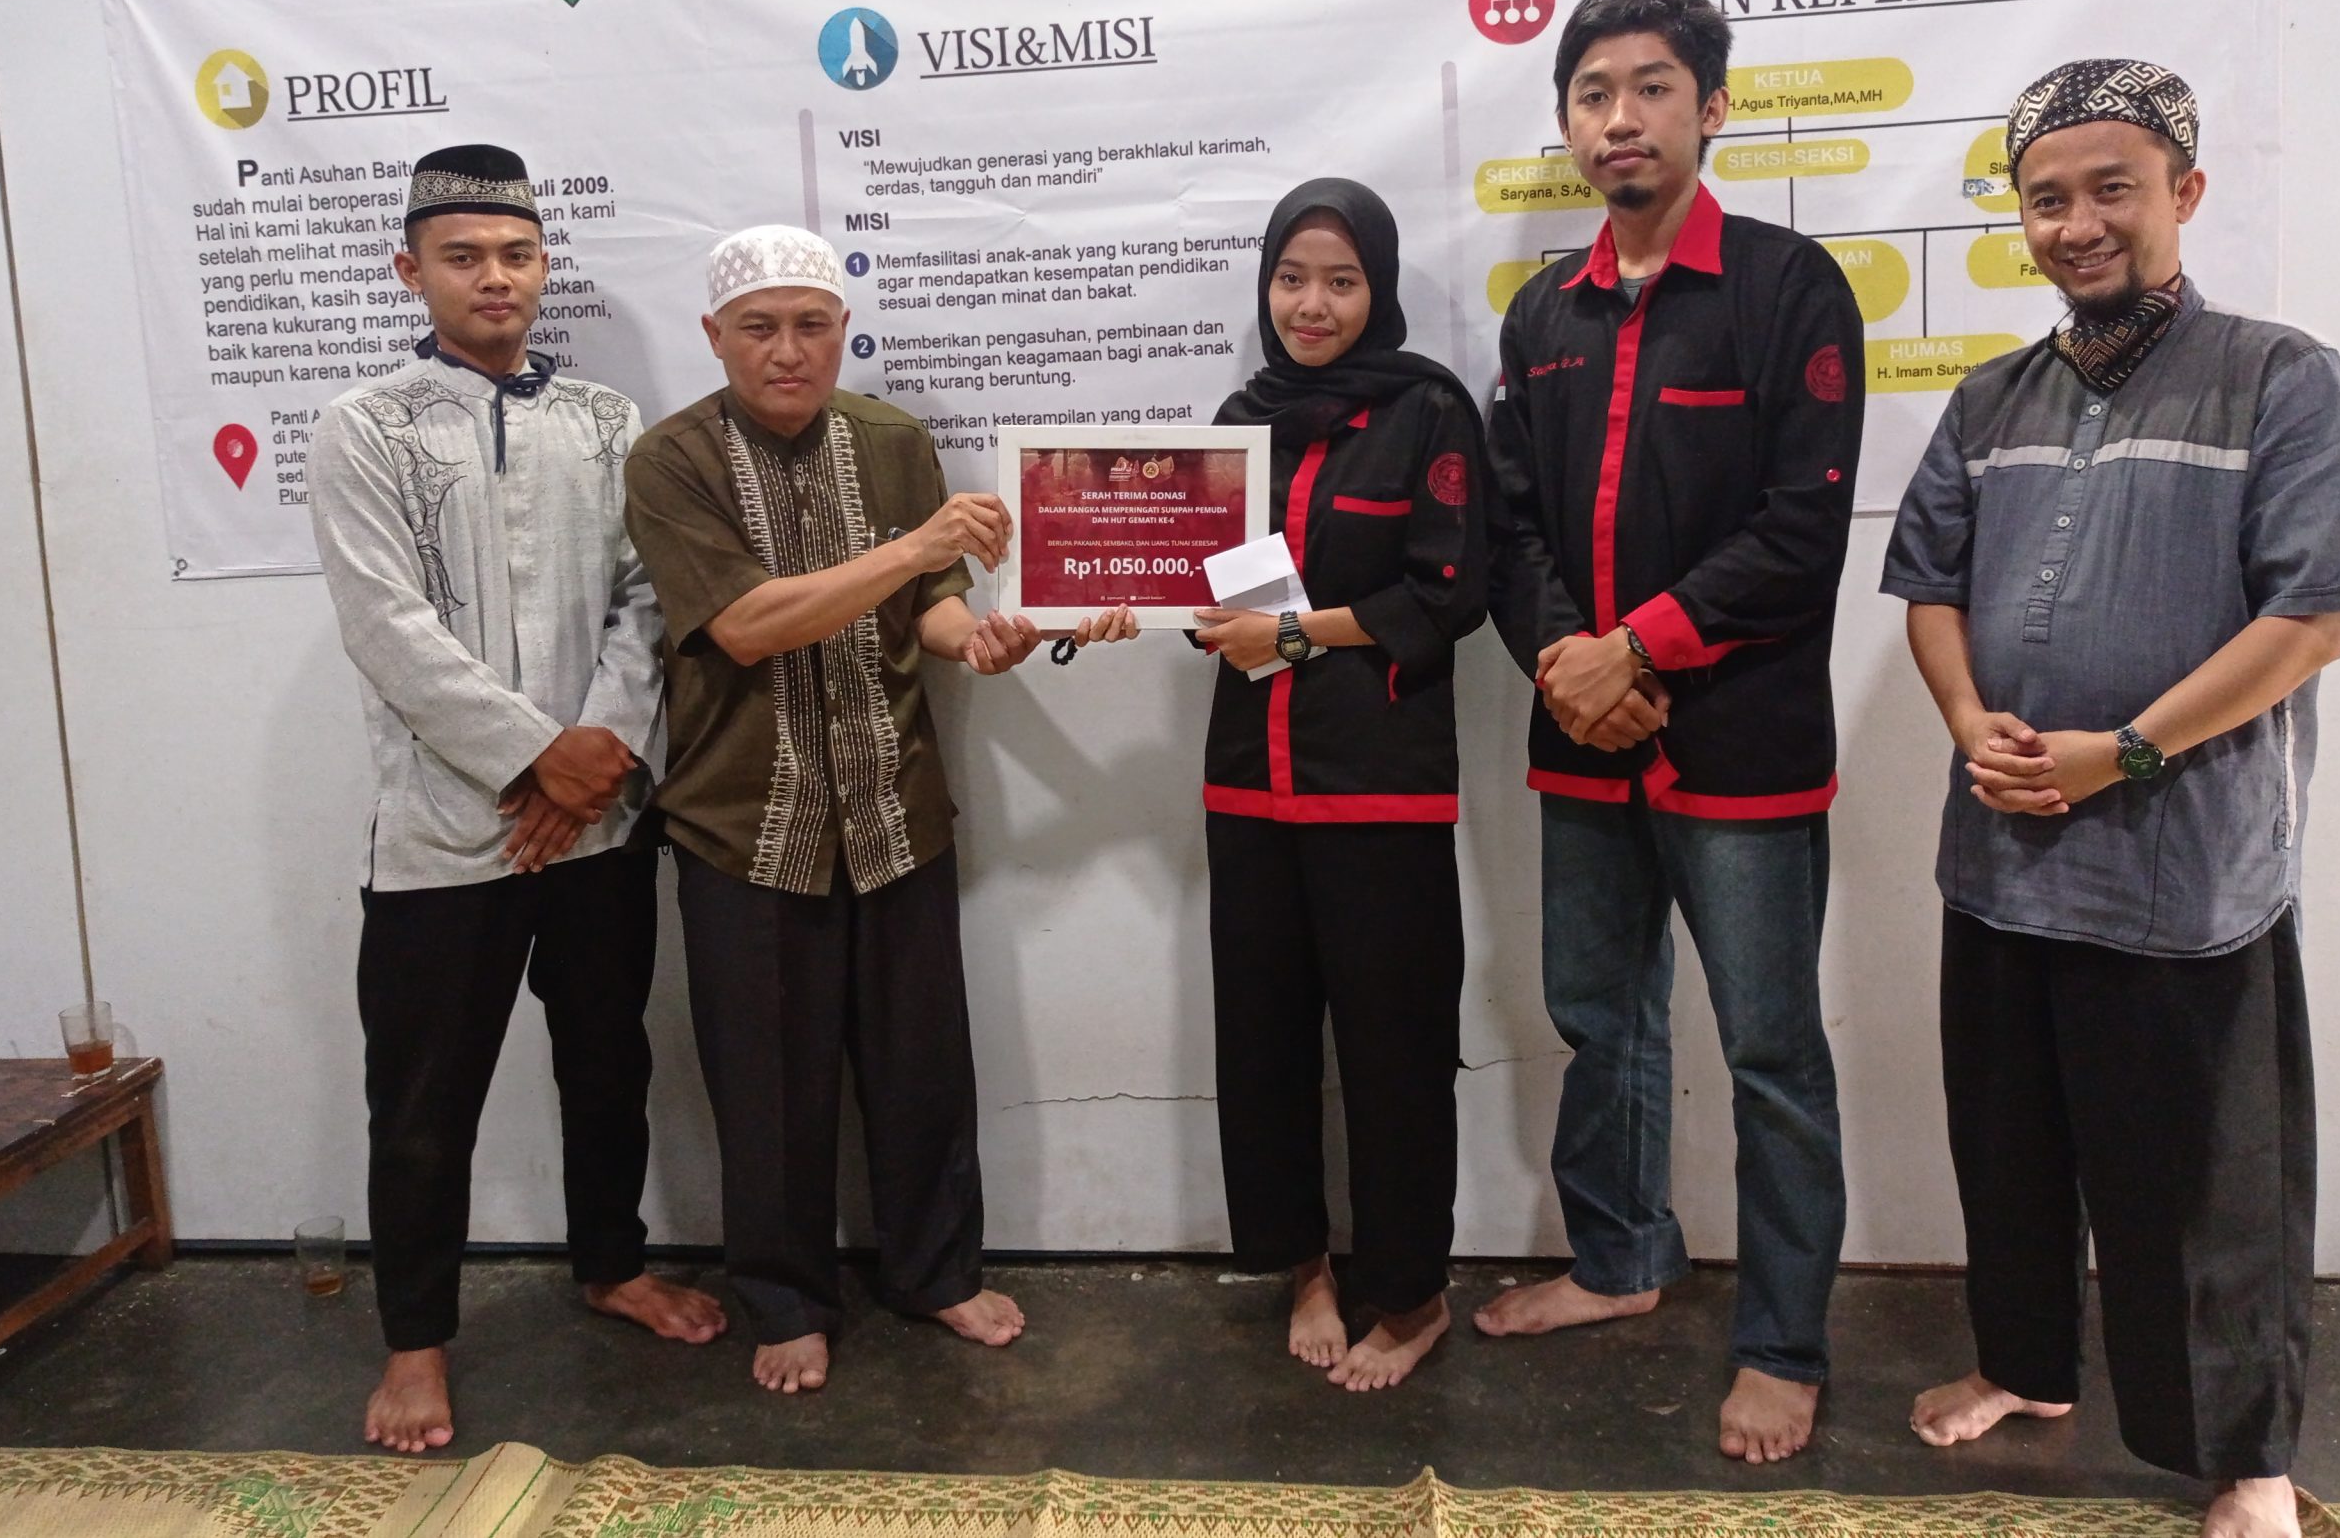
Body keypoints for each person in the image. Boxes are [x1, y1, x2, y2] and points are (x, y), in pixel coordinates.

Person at [1882, 61, 2340, 1538]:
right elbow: (1928, 586)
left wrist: (2123, 752)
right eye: (2047, 197)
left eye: (2112, 187)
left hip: (2188, 869)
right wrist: (1971, 721)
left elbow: (2315, 618)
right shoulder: (1991, 398)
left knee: (2204, 1185)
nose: (2079, 222)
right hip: (2003, 852)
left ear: (2184, 189)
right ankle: (2025, 1364)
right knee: (2011, 1143)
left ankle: (2241, 1453)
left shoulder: (2279, 375)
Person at [622, 224, 1133, 1395]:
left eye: (811, 325)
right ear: (714, 336)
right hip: (745, 825)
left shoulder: (894, 441)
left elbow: (934, 605)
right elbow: (745, 625)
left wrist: (981, 640)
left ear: (843, 330)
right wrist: (912, 553)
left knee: (922, 1069)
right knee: (767, 1086)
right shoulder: (670, 460)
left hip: (895, 810)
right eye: (759, 328)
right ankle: (786, 1299)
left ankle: (936, 1271)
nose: (788, 351)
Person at [1476, 0, 1865, 1464]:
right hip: (1581, 742)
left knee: (1769, 1050)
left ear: (1712, 108)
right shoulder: (1542, 312)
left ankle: (1783, 1342)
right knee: (1601, 1016)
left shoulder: (1786, 287)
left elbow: (1802, 527)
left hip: (1740, 745)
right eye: (1592, 93)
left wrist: (1634, 647)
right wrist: (1567, 662)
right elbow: (1509, 525)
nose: (1619, 117)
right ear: (1567, 122)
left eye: (1650, 88)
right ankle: (1619, 1256)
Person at [310, 143, 727, 1455]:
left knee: (608, 1058)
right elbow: (387, 625)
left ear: (545, 264)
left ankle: (611, 1262)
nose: (494, 277)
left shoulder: (603, 422)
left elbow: (646, 598)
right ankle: (416, 1340)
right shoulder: (366, 425)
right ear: (411, 269)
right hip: (448, 831)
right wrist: (536, 759)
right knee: (423, 1099)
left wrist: (598, 753)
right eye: (463, 256)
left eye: (516, 253)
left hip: (601, 819)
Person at [1191, 179, 1488, 1392]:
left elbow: (1449, 592)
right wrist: (1124, 594)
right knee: (1261, 1042)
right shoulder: (1239, 419)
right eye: (1291, 278)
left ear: (1379, 288)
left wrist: (1297, 635)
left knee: (1394, 1050)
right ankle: (1303, 1262)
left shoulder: (1427, 410)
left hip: (1378, 786)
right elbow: (1220, 588)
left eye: (1341, 280)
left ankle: (1410, 1294)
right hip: (1249, 784)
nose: (1311, 304)